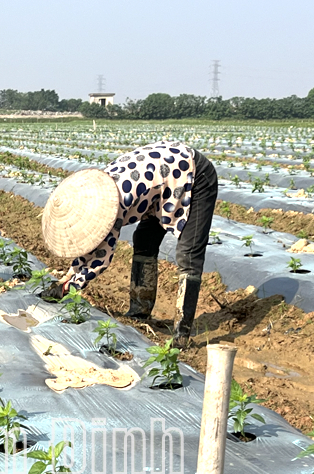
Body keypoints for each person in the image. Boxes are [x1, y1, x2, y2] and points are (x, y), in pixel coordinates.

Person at [40, 141, 218, 348]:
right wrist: (67, 276)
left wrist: (69, 287)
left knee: (189, 253)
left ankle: (181, 335)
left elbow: (101, 258)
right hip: (161, 183)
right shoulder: (96, 193)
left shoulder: (110, 203)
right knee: (144, 240)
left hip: (193, 175)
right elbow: (91, 247)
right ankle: (139, 313)